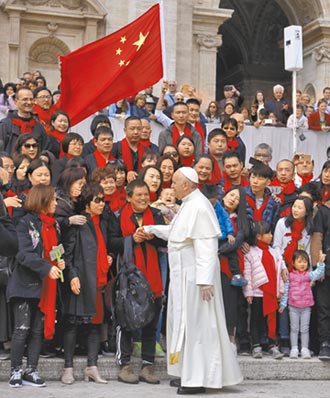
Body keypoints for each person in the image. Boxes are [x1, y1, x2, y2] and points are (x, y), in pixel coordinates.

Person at [142, 167, 242, 394]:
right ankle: (188, 372)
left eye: (175, 183)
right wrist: (151, 229)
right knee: (184, 325)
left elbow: (207, 246)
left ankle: (197, 379)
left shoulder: (198, 205)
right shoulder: (189, 203)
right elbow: (179, 234)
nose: (172, 187)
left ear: (186, 185)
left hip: (196, 279)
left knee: (197, 326)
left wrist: (205, 281)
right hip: (184, 277)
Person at [6, 184, 65, 387]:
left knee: (37, 331)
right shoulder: (23, 223)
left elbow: (55, 251)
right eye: (54, 200)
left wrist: (59, 261)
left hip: (45, 286)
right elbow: (23, 253)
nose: (56, 203)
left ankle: (31, 369)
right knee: (22, 329)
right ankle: (15, 370)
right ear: (43, 201)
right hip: (24, 283)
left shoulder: (54, 225)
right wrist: (46, 268)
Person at [61, 182, 112, 385]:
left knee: (95, 325)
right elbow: (68, 253)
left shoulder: (103, 222)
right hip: (81, 280)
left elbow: (102, 247)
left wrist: (108, 257)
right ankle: (68, 368)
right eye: (97, 200)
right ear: (87, 203)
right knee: (72, 324)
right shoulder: (79, 223)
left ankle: (92, 367)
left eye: (103, 200)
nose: (101, 204)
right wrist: (72, 275)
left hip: (98, 280)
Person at [116, 180, 165, 385]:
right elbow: (111, 241)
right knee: (126, 321)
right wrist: (130, 239)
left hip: (153, 276)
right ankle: (125, 364)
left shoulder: (156, 214)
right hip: (129, 276)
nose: (144, 198)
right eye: (139, 195)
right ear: (129, 197)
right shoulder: (117, 215)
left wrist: (150, 237)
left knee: (151, 321)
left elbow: (165, 240)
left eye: (146, 194)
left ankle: (147, 365)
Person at [243, 221, 285, 360]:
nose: (271, 235)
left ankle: (272, 344)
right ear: (259, 236)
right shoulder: (251, 253)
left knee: (271, 319)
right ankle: (256, 345)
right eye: (268, 233)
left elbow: (278, 272)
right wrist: (248, 292)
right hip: (257, 292)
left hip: (272, 292)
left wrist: (280, 289)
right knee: (256, 319)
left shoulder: (274, 252)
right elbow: (247, 273)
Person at [279, 250, 325, 359]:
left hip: (306, 307)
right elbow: (285, 291)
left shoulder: (309, 275)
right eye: (299, 261)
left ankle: (305, 348)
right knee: (294, 328)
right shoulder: (290, 276)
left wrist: (321, 263)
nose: (302, 264)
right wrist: (283, 304)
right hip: (293, 306)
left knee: (305, 329)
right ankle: (294, 348)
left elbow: (317, 273)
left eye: (305, 262)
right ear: (293, 263)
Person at [0, 87, 49, 154]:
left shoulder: (39, 126)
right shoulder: (5, 125)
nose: (29, 102)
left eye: (31, 99)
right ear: (16, 102)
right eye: (25, 99)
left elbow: (46, 148)